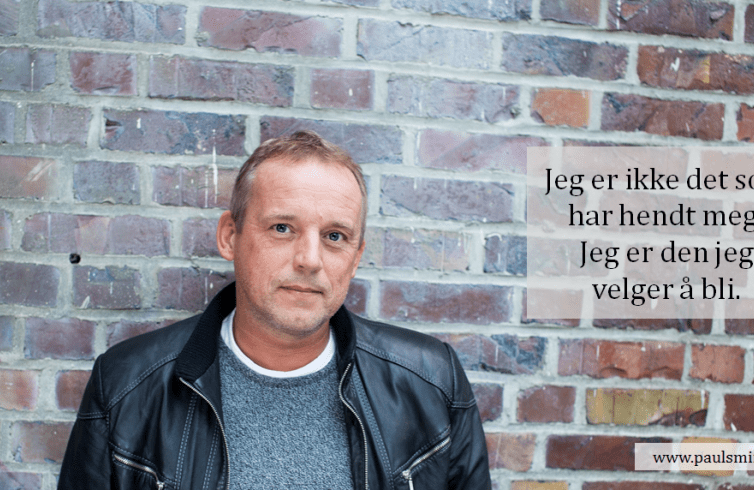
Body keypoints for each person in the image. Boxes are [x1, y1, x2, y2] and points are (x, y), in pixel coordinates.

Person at [57, 130, 491, 489]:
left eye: (335, 236)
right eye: (282, 228)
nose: (310, 260)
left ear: (357, 257)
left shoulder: (432, 384)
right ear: (229, 236)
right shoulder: (126, 387)